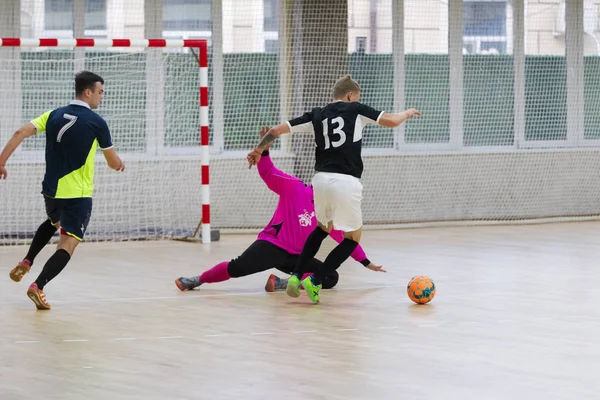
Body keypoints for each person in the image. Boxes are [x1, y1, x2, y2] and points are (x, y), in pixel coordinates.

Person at [247, 74, 420, 303]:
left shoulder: (316, 115)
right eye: (356, 97)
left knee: (322, 228)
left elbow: (276, 131)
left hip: (320, 180)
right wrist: (407, 112)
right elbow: (392, 121)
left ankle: (296, 275)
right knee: (352, 238)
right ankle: (315, 280)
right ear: (350, 95)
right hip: (346, 182)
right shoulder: (356, 109)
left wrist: (259, 150)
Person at [175, 127, 385, 293]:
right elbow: (269, 172)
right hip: (271, 246)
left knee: (329, 276)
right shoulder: (293, 187)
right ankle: (197, 280)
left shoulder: (328, 210)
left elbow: (346, 239)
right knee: (236, 268)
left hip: (297, 256)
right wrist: (264, 151)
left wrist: (366, 263)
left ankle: (282, 283)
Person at [0, 71, 125, 310]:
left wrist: (1, 161)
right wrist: (118, 163)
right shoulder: (97, 122)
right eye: (100, 92)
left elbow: (20, 132)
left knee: (53, 221)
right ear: (87, 92)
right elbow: (111, 161)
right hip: (77, 194)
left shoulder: (54, 114)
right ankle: (38, 285)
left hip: (51, 190)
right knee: (67, 244)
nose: (101, 97)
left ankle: (27, 260)